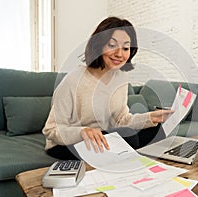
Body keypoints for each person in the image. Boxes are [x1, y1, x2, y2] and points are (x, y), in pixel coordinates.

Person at [42, 16, 173, 160]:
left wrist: (150, 118)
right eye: (112, 45)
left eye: (125, 48)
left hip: (103, 137)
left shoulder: (120, 78)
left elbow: (122, 120)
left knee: (156, 130)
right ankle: (128, 158)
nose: (119, 54)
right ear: (98, 45)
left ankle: (132, 160)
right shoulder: (73, 80)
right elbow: (51, 130)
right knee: (129, 138)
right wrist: (82, 132)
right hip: (67, 144)